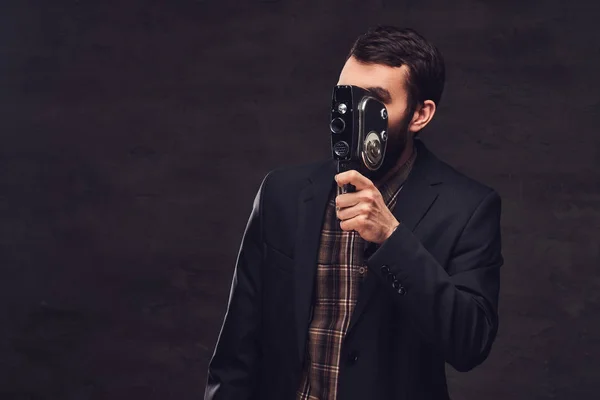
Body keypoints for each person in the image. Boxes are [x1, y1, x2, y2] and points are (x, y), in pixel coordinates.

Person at [204, 25, 503, 400]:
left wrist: (392, 239)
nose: (354, 115)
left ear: (420, 115)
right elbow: (236, 350)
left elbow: (469, 343)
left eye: (375, 102)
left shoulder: (468, 208)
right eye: (347, 96)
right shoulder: (283, 193)